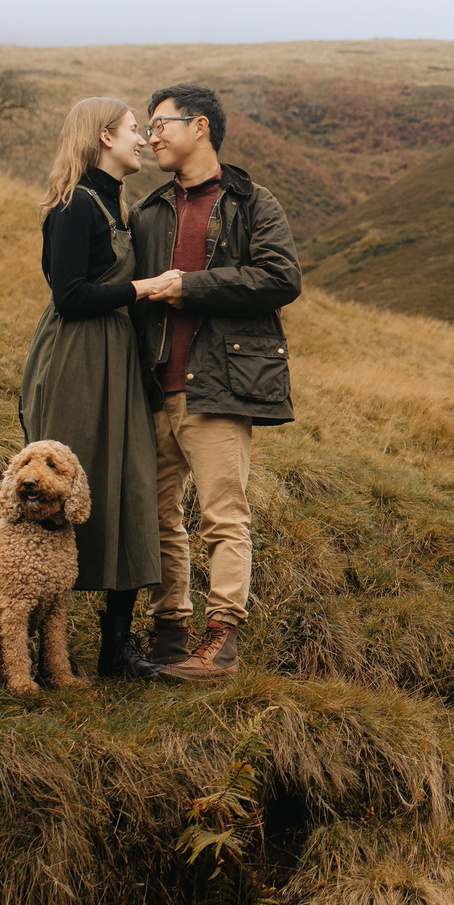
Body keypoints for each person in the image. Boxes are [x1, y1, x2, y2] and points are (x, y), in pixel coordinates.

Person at [127, 82, 303, 683]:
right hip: (154, 387)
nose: (152, 136)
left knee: (222, 517)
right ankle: (170, 634)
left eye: (161, 125)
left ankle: (221, 644)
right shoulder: (147, 212)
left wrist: (194, 285)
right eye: (148, 128)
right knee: (157, 515)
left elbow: (282, 277)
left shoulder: (254, 202)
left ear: (199, 126)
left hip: (221, 386)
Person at [18, 97, 183, 680]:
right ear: (104, 138)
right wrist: (143, 288)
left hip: (117, 364)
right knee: (51, 506)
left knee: (129, 494)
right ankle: (35, 656)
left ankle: (114, 655)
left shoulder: (116, 202)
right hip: (76, 365)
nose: (142, 140)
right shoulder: (73, 206)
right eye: (134, 130)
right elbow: (70, 296)